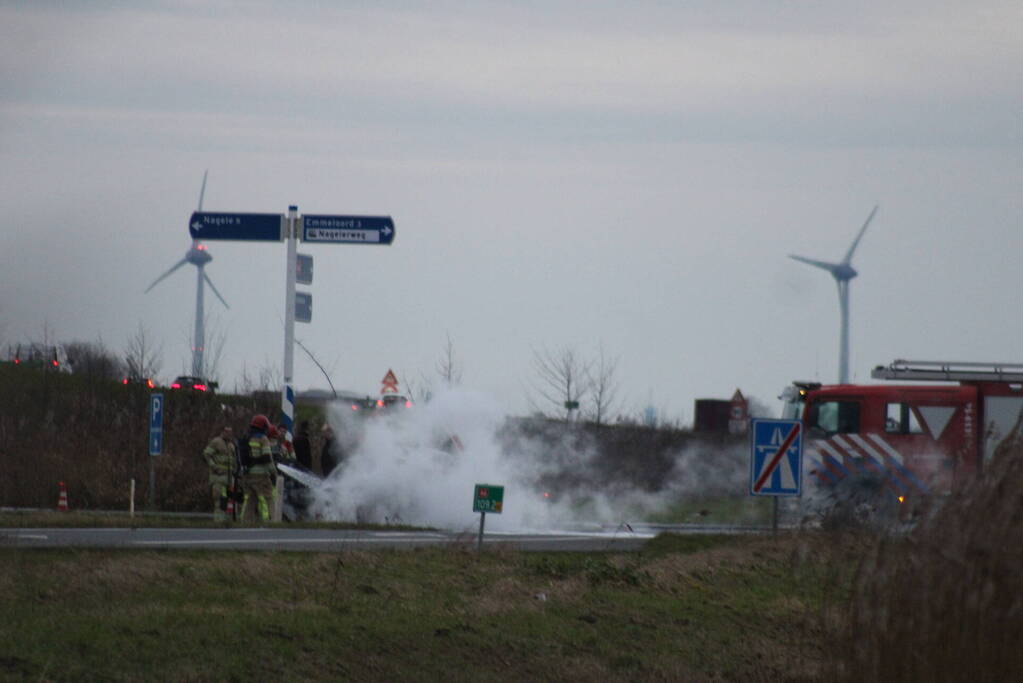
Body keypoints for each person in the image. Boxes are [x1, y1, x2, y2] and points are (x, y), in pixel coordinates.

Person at [240, 414, 277, 523]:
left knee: (251, 499)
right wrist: (274, 472)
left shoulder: (247, 438)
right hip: (261, 475)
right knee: (269, 498)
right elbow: (267, 458)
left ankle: (246, 521)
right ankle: (272, 521)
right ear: (263, 426)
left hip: (248, 474)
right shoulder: (263, 439)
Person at [202, 425, 237, 523]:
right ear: (223, 432)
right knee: (219, 501)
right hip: (218, 477)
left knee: (229, 501)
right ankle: (218, 521)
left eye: (231, 432)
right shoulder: (216, 442)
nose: (229, 434)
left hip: (229, 479)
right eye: (227, 432)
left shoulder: (231, 445)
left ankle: (227, 521)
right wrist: (214, 467)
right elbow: (206, 454)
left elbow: (234, 461)